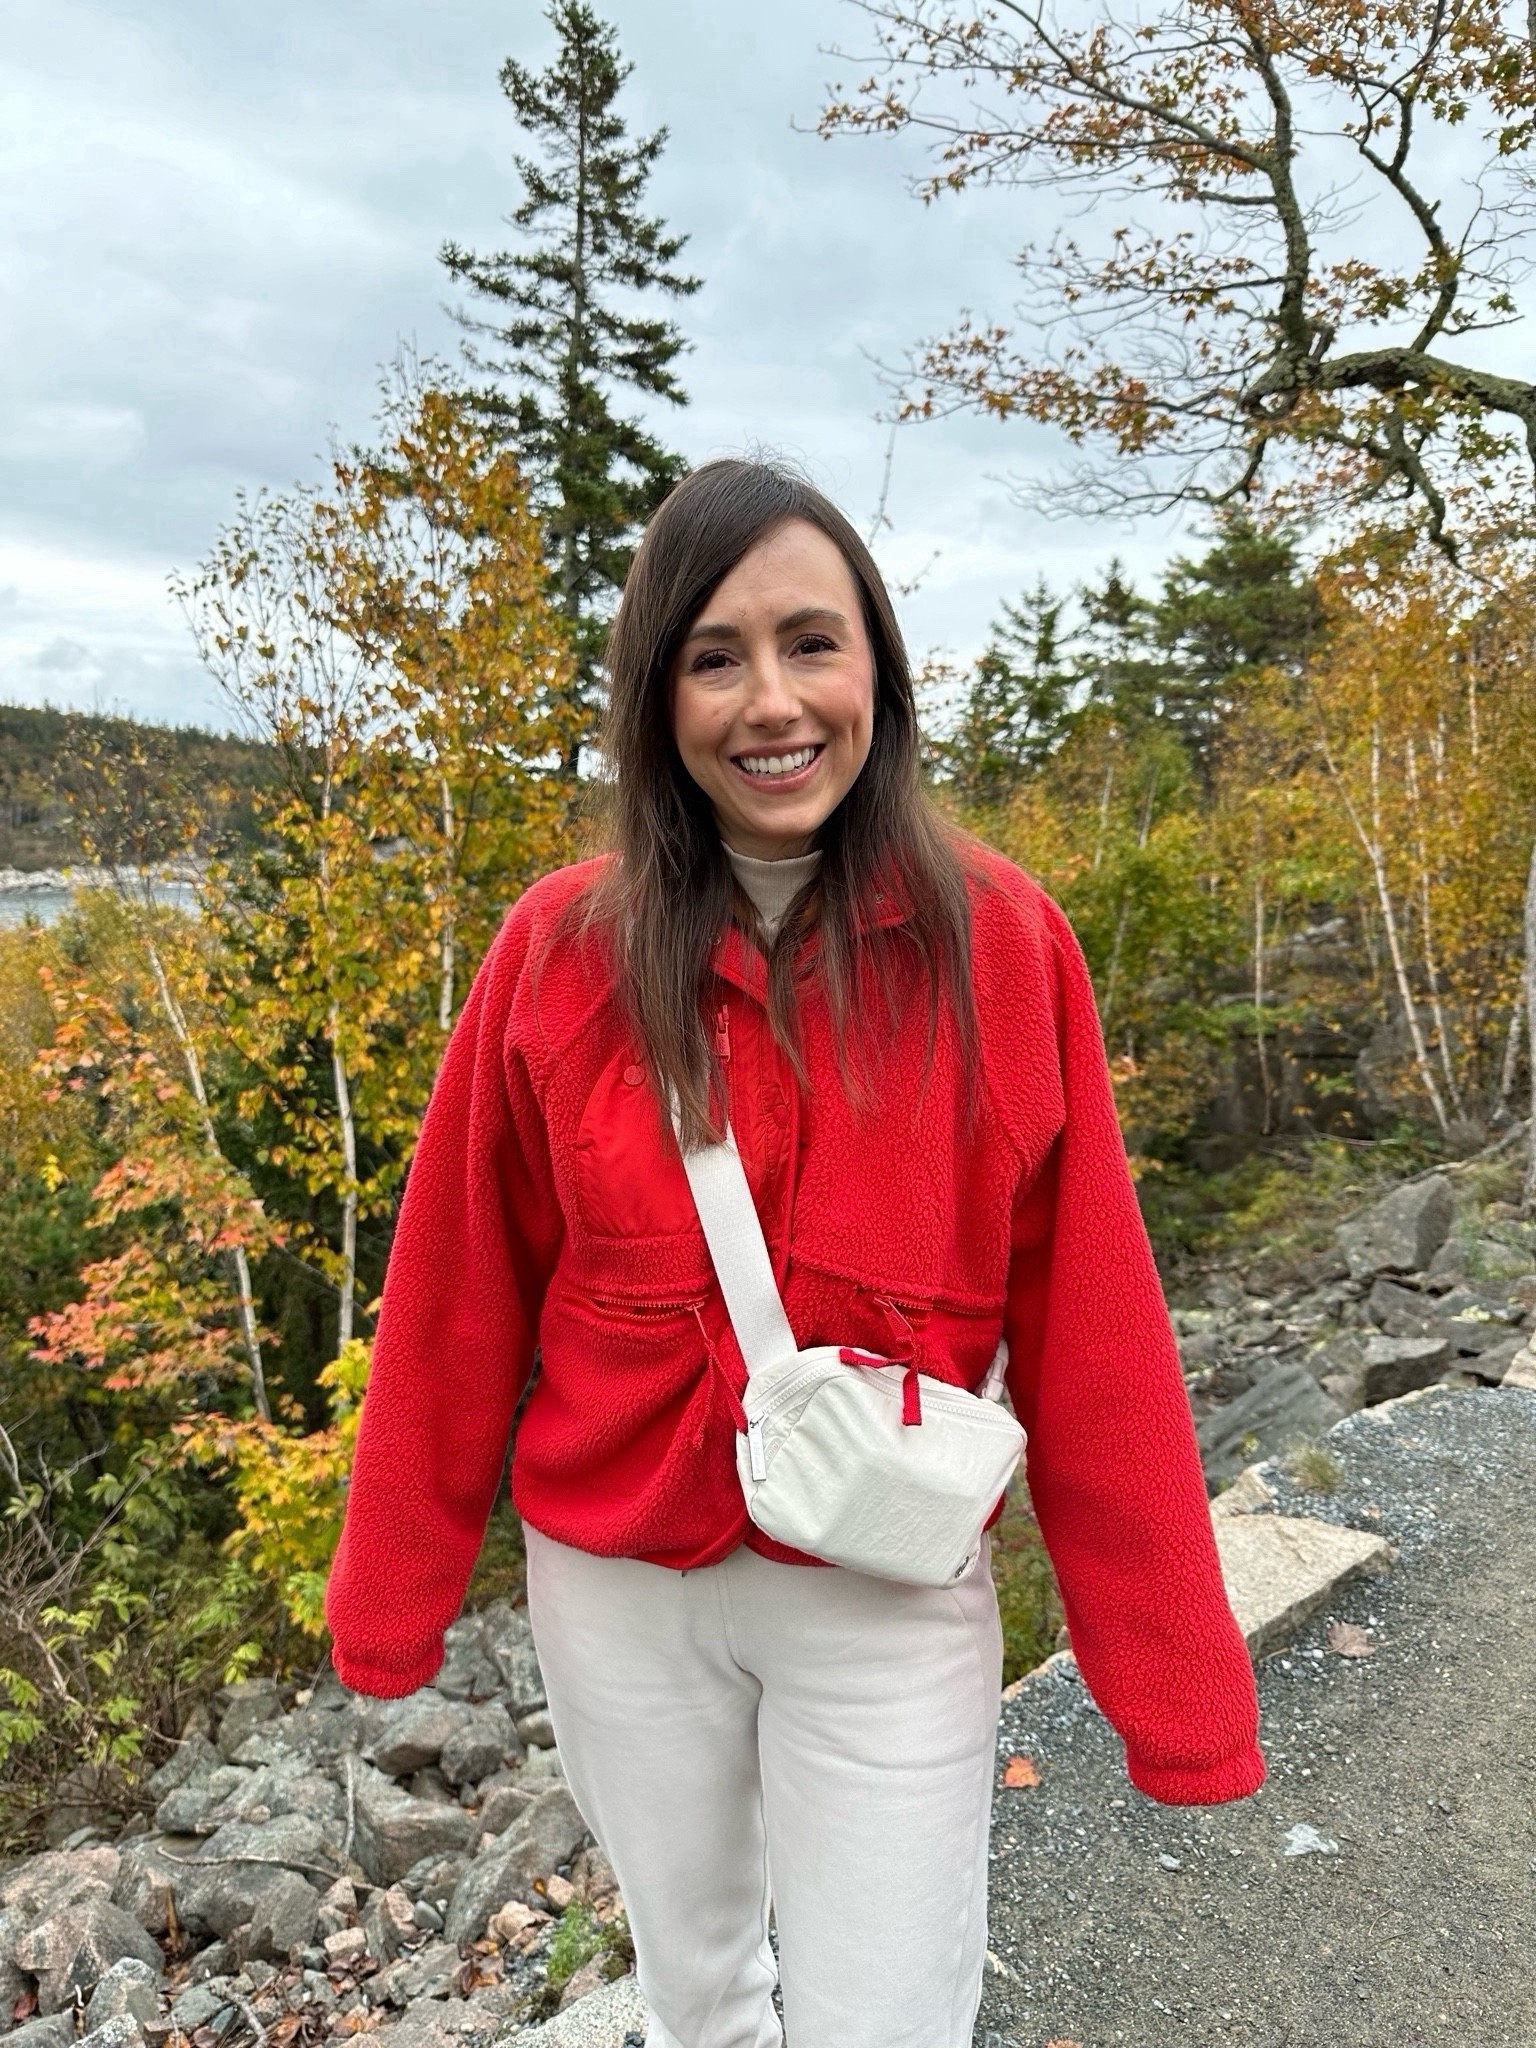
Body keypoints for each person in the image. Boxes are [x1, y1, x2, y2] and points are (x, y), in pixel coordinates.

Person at [325, 458, 1264, 2048]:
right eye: (714, 656)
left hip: (882, 1580)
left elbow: (1096, 1333)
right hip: (617, 1587)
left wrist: (1176, 1691)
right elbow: (456, 1289)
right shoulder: (558, 957)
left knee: (890, 2016)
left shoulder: (1006, 945)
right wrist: (392, 1597)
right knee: (697, 1997)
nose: (772, 700)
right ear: (656, 698)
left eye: (811, 643)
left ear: (878, 672)